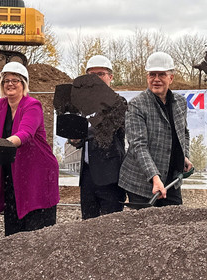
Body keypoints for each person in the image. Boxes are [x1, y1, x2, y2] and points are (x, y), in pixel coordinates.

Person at [0, 63, 59, 235]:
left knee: (36, 227)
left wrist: (1, 144)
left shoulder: (32, 105)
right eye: (6, 80)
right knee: (13, 226)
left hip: (37, 171)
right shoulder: (1, 105)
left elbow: (25, 134)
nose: (10, 84)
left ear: (24, 84)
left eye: (15, 80)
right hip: (13, 171)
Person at [119, 51, 192, 206]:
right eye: (152, 74)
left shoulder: (179, 102)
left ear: (171, 78)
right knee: (146, 228)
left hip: (171, 180)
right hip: (141, 183)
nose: (156, 79)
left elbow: (183, 133)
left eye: (161, 75)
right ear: (147, 77)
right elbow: (138, 146)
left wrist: (183, 156)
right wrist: (154, 177)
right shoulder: (136, 105)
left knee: (175, 225)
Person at [68, 54, 127, 219]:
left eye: (100, 74)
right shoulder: (81, 104)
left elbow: (104, 130)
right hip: (87, 177)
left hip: (111, 177)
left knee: (111, 228)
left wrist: (82, 134)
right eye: (92, 75)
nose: (96, 79)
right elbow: (77, 135)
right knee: (88, 229)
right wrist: (74, 138)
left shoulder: (118, 103)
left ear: (110, 77)